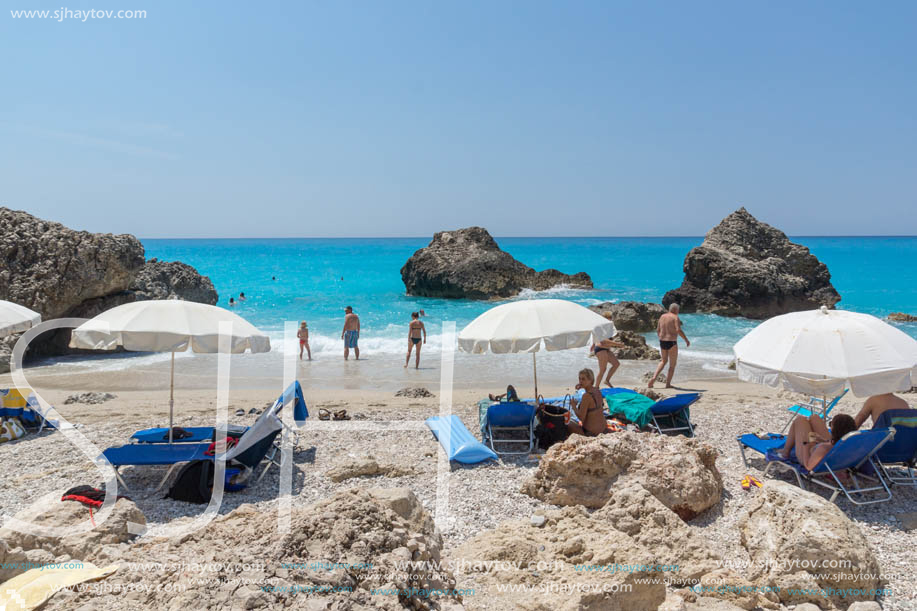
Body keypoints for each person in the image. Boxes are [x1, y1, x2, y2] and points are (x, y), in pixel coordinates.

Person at [775, 413, 858, 471]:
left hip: (809, 456)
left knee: (800, 419)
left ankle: (785, 452)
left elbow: (808, 466)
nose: (830, 427)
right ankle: (810, 431)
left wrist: (806, 443)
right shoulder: (848, 444)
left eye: (830, 425)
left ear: (835, 430)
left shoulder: (823, 448)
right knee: (814, 417)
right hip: (823, 450)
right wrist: (823, 440)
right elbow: (831, 446)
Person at [648, 303, 690, 388]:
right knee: (672, 365)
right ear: (675, 310)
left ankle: (654, 378)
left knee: (663, 361)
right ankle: (668, 384)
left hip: (662, 341)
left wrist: (661, 338)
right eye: (678, 310)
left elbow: (658, 330)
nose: (678, 312)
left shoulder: (662, 316)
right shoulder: (675, 317)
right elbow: (678, 330)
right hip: (672, 342)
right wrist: (686, 339)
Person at [567, 369, 608, 437]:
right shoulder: (597, 390)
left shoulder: (586, 396)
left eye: (583, 379)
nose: (580, 381)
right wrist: (582, 386)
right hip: (603, 429)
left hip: (591, 433)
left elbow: (581, 418)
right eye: (579, 379)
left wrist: (573, 406)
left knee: (568, 424)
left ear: (590, 380)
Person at [592, 312, 625, 387]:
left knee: (616, 364)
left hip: (606, 350)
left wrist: (593, 343)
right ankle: (596, 387)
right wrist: (618, 344)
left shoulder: (609, 327)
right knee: (602, 370)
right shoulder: (600, 327)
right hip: (600, 350)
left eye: (610, 320)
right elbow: (603, 341)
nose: (610, 321)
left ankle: (607, 380)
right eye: (608, 320)